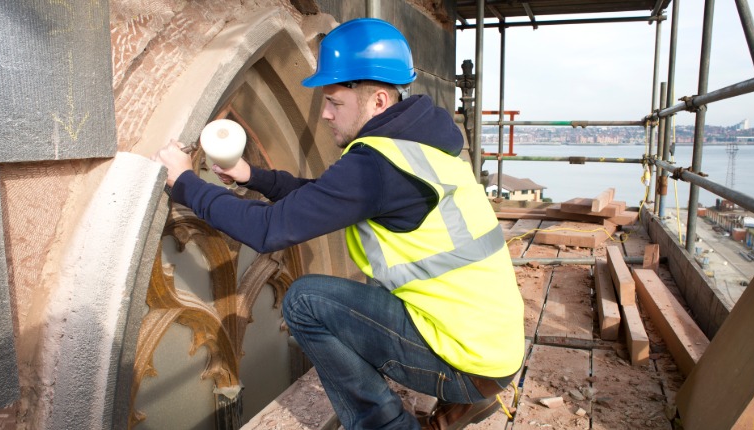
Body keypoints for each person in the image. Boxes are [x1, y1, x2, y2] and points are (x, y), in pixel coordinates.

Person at [152, 17, 524, 430]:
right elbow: (325, 196)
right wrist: (252, 176)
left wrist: (185, 182)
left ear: (379, 101)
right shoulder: (420, 147)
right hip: (491, 349)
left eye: (335, 102)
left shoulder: (377, 166)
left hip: (466, 362)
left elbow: (268, 229)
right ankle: (458, 400)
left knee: (305, 301)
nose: (325, 114)